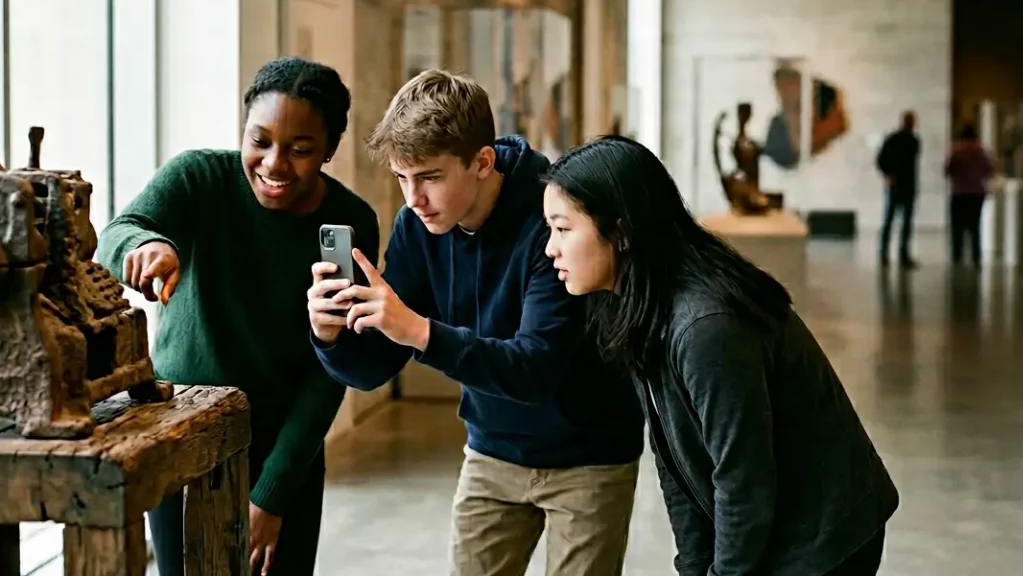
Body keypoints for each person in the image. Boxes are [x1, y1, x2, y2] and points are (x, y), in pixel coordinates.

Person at [306, 69, 645, 576]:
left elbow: (536, 368)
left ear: (483, 162)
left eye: (430, 177)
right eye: (402, 178)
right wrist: (330, 334)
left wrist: (418, 329)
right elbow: (374, 369)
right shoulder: (417, 227)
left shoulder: (551, 223)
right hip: (493, 451)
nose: (413, 198)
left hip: (589, 453)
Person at [541, 135, 899, 576]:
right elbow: (673, 458)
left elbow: (742, 480)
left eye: (562, 228)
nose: (550, 248)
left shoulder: (705, 325)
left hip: (824, 537)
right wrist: (694, 566)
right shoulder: (635, 300)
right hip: (772, 521)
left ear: (621, 231)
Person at [100, 56, 377, 576]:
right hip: (178, 435)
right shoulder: (198, 176)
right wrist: (147, 244)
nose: (274, 164)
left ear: (330, 150)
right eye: (260, 140)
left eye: (300, 149)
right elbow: (120, 230)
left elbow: (330, 373)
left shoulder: (349, 221)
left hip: (282, 450)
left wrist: (272, 497)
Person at [943, 124, 995, 268]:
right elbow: (988, 170)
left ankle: (957, 257)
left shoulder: (956, 151)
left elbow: (947, 170)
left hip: (959, 192)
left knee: (957, 228)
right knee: (975, 227)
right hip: (977, 193)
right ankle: (976, 258)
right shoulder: (981, 152)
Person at [876, 110, 922, 269]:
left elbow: (881, 159)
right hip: (906, 185)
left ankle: (884, 254)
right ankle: (902, 255)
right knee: (904, 222)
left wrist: (888, 174)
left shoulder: (893, 139)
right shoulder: (913, 141)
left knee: (890, 220)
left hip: (896, 184)